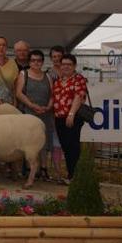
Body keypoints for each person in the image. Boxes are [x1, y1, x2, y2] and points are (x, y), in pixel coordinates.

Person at [15, 49, 59, 182]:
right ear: (29, 62)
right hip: (29, 114)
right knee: (29, 143)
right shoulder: (24, 74)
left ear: (42, 62)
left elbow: (52, 94)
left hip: (45, 113)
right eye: (33, 60)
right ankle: (30, 169)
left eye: (39, 60)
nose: (36, 63)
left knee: (44, 142)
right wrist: (31, 105)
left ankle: (44, 169)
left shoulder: (48, 77)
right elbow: (19, 93)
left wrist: (49, 106)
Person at [52, 54, 88, 183]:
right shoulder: (58, 80)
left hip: (73, 117)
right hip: (59, 118)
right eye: (64, 64)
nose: (66, 66)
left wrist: (71, 114)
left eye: (69, 64)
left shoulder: (79, 79)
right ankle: (71, 174)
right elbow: (54, 98)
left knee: (73, 146)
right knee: (66, 147)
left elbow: (79, 96)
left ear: (74, 66)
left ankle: (76, 176)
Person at [0, 36, 18, 106]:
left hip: (8, 102)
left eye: (4, 45)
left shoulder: (12, 63)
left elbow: (15, 85)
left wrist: (15, 101)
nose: (1, 47)